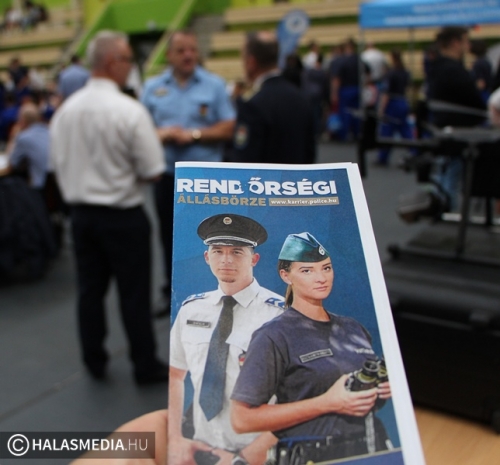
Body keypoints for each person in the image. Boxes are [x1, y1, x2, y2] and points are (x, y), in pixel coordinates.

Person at [50, 30, 168, 384]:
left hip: (82, 215)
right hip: (122, 215)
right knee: (134, 294)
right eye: (128, 60)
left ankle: (94, 360)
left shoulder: (65, 112)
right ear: (113, 62)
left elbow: (57, 164)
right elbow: (153, 169)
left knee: (89, 291)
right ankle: (144, 364)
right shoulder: (129, 110)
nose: (130, 67)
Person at [231, 232, 392, 462]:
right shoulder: (273, 336)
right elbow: (241, 419)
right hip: (312, 455)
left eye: (326, 268)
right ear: (286, 275)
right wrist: (325, 403)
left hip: (371, 448)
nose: (321, 278)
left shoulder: (353, 329)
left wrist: (381, 389)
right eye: (307, 271)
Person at [169, 213, 285, 465]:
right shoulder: (191, 310)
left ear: (254, 259)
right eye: (218, 251)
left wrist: (250, 455)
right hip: (203, 448)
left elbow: (302, 391)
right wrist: (175, 438)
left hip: (261, 451)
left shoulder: (280, 315)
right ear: (206, 257)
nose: (226, 259)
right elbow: (175, 375)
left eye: (237, 252)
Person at [141, 30, 235, 318]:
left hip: (206, 177)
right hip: (167, 176)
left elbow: (228, 126)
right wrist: (160, 134)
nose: (188, 55)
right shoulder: (153, 87)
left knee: (213, 238)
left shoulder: (214, 85)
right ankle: (172, 293)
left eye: (192, 49)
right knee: (169, 238)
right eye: (181, 50)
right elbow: (140, 128)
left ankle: (215, 294)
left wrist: (194, 135)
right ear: (169, 55)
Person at [230, 31, 316, 164]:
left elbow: (245, 160)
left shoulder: (252, 104)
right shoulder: (301, 98)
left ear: (251, 62)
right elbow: (310, 152)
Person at [428, 26, 486, 211]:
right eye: (465, 41)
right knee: (450, 180)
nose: (468, 46)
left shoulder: (436, 66)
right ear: (455, 43)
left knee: (444, 177)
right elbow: (474, 99)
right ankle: (445, 212)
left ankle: (440, 210)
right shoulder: (453, 70)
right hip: (457, 132)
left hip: (445, 129)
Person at [376, 50, 413, 166]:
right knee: (405, 130)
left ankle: (383, 157)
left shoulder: (391, 74)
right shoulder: (405, 72)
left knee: (387, 131)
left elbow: (386, 93)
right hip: (403, 101)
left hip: (393, 103)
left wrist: (381, 109)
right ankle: (415, 151)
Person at [4, 102, 49, 190]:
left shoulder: (24, 137)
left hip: (38, 188)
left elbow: (11, 165)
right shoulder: (48, 131)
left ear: (23, 121)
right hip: (53, 187)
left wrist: (13, 137)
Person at [332, 39, 367, 142]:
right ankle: (357, 133)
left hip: (345, 89)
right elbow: (368, 72)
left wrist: (334, 93)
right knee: (356, 112)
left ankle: (344, 135)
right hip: (357, 88)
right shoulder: (359, 60)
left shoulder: (342, 61)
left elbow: (336, 78)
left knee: (345, 113)